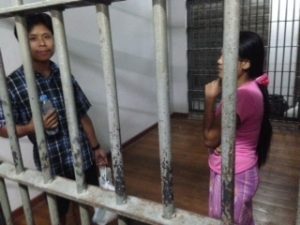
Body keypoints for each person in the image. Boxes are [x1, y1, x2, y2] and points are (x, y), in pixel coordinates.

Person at [0, 13, 108, 224]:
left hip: (82, 155)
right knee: (60, 211)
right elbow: (2, 127)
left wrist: (96, 148)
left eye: (47, 36)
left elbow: (82, 114)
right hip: (52, 162)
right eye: (33, 38)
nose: (42, 43)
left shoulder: (64, 75)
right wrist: (31, 127)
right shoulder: (12, 85)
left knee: (94, 202)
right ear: (22, 42)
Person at [203, 31, 272, 225]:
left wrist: (209, 99)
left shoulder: (243, 96)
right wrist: (224, 141)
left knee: (225, 220)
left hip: (235, 173)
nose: (219, 60)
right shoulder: (247, 89)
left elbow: (209, 139)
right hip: (235, 169)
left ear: (245, 64)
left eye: (227, 55)